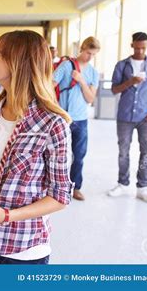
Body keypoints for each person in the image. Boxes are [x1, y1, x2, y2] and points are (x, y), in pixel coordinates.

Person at [0, 30, 72, 265]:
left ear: (19, 63)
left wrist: (5, 216)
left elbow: (59, 196)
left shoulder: (52, 124)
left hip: (23, 250)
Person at [108, 32, 147, 204]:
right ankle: (122, 183)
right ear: (132, 45)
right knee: (123, 151)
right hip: (125, 116)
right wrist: (130, 82)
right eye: (137, 47)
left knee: (146, 152)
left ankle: (142, 187)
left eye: (144, 47)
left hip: (146, 116)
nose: (140, 51)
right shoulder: (122, 65)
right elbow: (114, 89)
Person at [53, 37, 100, 201]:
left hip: (81, 119)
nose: (89, 57)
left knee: (79, 155)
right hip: (63, 117)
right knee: (58, 155)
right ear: (82, 48)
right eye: (88, 53)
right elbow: (50, 84)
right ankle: (55, 187)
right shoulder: (66, 65)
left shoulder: (93, 73)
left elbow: (90, 99)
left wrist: (81, 81)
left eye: (93, 54)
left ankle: (76, 187)